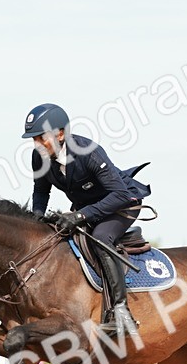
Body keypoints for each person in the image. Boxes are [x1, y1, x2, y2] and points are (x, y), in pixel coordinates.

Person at [22, 103, 151, 337]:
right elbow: (41, 191)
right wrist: (36, 220)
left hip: (122, 204)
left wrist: (81, 215)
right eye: (34, 140)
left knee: (101, 237)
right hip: (88, 208)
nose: (37, 145)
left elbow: (120, 194)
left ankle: (121, 311)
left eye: (42, 138)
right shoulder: (39, 157)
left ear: (60, 133)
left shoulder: (88, 151)